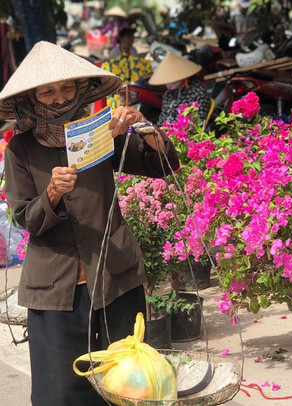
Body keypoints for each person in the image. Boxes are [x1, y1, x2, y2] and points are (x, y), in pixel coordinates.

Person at [0, 41, 179, 406]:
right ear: (32, 97)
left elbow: (161, 166)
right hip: (55, 288)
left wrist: (146, 130)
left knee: (128, 384)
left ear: (81, 88)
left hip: (115, 276)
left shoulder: (97, 134)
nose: (58, 97)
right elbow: (25, 219)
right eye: (47, 91)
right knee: (61, 391)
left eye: (67, 87)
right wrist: (50, 193)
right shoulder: (19, 150)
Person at [149, 52, 211, 126]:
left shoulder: (198, 93)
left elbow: (197, 123)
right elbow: (163, 118)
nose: (167, 83)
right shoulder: (169, 93)